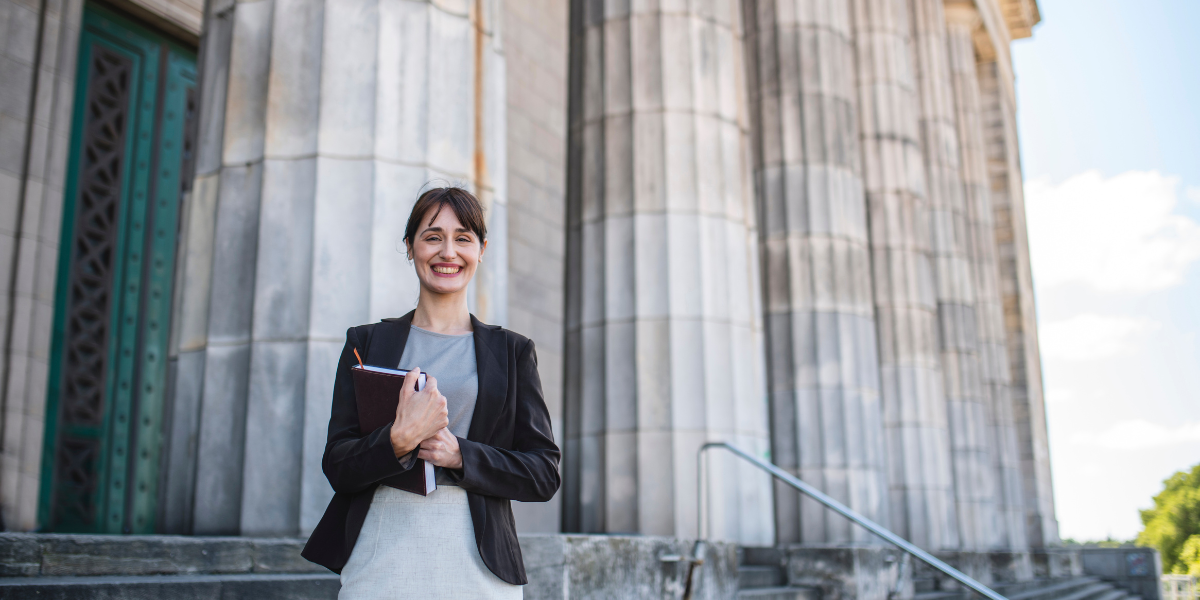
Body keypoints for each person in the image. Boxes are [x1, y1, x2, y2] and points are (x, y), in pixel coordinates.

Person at [301, 187, 560, 599]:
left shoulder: (512, 352)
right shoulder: (365, 344)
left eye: (463, 238)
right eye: (432, 236)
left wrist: (460, 454)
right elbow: (337, 463)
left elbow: (543, 474)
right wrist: (397, 441)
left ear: (481, 249)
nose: (448, 252)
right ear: (410, 247)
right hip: (382, 545)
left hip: (477, 555)